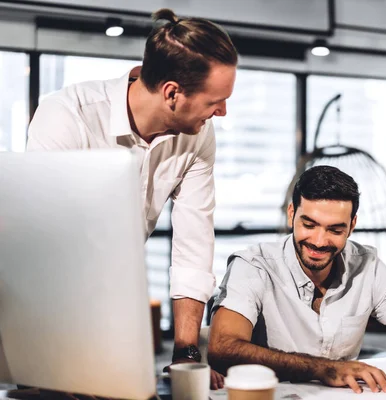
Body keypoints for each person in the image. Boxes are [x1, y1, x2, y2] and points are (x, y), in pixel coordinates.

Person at [27, 8, 237, 388]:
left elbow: (193, 241)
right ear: (172, 93)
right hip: (41, 306)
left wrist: (187, 355)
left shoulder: (198, 136)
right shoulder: (67, 117)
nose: (222, 111)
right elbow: (41, 247)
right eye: (215, 101)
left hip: (111, 301)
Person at [208, 166, 386, 393]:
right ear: (291, 214)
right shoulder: (253, 265)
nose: (319, 242)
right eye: (309, 225)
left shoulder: (367, 265)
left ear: (352, 226)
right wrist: (325, 369)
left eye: (335, 229)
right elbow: (223, 349)